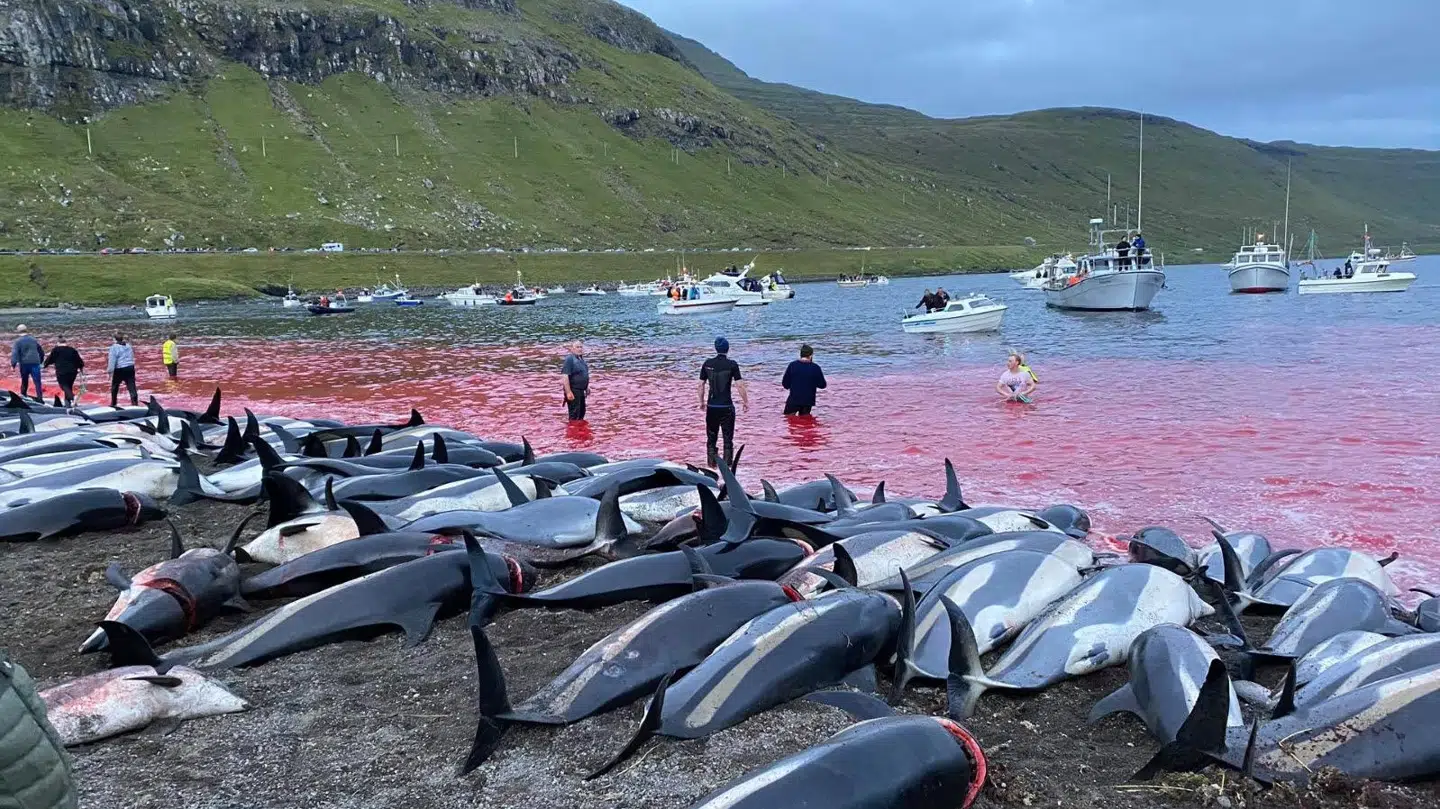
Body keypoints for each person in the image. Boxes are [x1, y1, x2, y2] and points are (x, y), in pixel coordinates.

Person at [699, 336, 747, 468]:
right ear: (728, 349)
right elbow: (740, 385)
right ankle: (727, 465)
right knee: (728, 437)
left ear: (715, 348)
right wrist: (745, 401)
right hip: (726, 406)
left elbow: (701, 385)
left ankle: (711, 464)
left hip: (712, 406)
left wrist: (701, 402)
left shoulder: (707, 363)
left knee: (711, 437)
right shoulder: (732, 364)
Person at [781, 344, 827, 416]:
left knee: (788, 420)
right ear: (811, 355)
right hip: (808, 400)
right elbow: (822, 385)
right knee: (805, 423)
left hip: (794, 399)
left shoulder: (792, 365)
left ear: (801, 355)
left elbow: (785, 384)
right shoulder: (816, 367)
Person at [43, 335, 84, 407]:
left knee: (63, 386)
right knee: (69, 386)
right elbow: (79, 361)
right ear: (66, 342)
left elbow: (50, 360)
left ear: (58, 343)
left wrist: (45, 365)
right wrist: (80, 368)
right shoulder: (72, 350)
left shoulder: (56, 350)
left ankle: (72, 397)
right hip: (73, 372)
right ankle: (68, 403)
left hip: (62, 372)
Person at [10, 324, 44, 402]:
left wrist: (13, 365)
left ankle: (23, 396)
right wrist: (41, 361)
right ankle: (40, 398)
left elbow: (15, 353)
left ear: (18, 331)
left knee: (24, 381)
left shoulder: (18, 341)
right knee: (37, 382)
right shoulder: (33, 339)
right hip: (35, 363)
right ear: (27, 330)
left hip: (24, 363)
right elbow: (41, 351)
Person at [107, 332, 138, 408]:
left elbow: (112, 360)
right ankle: (135, 403)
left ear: (114, 339)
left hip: (120, 369)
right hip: (130, 367)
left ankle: (113, 403)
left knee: (115, 386)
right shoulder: (128, 346)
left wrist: (110, 371)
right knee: (132, 386)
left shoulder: (114, 347)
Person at [561, 340, 589, 421]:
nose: (580, 349)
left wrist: (587, 387)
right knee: (574, 414)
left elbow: (584, 374)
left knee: (581, 412)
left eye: (581, 347)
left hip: (581, 390)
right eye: (577, 347)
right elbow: (565, 376)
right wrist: (568, 392)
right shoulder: (570, 359)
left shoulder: (581, 360)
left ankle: (580, 432)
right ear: (572, 349)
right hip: (574, 390)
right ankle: (572, 432)